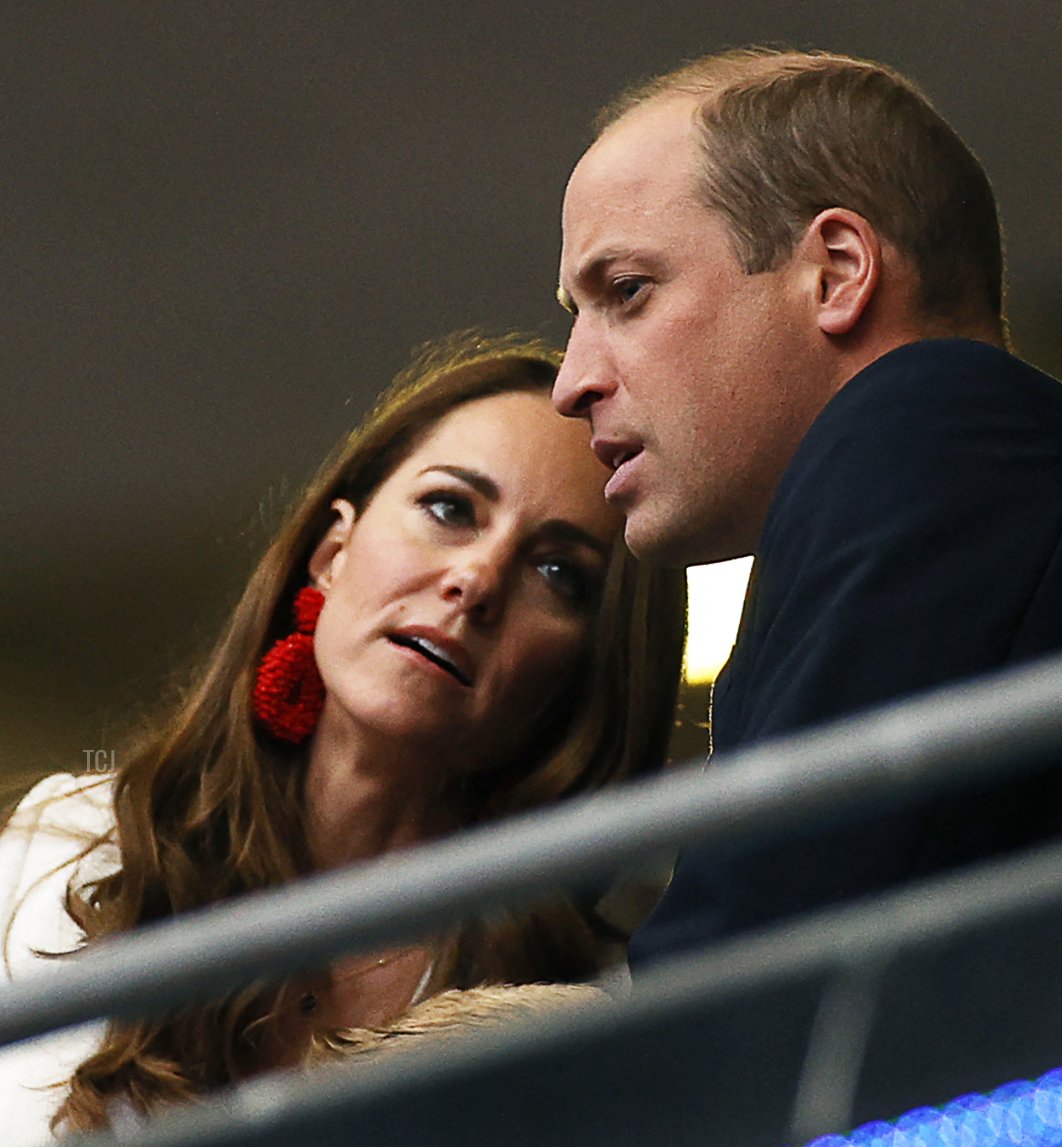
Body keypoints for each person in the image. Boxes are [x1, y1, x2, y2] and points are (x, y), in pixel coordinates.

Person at [551, 47, 1062, 960]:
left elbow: (749, 977)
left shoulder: (931, 421)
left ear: (838, 272)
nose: (573, 381)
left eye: (626, 292)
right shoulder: (934, 458)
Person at [0, 334, 686, 1141]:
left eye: (559, 572)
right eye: (450, 508)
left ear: (586, 669)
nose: (477, 579)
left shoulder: (592, 1008)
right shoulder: (68, 844)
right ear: (333, 551)